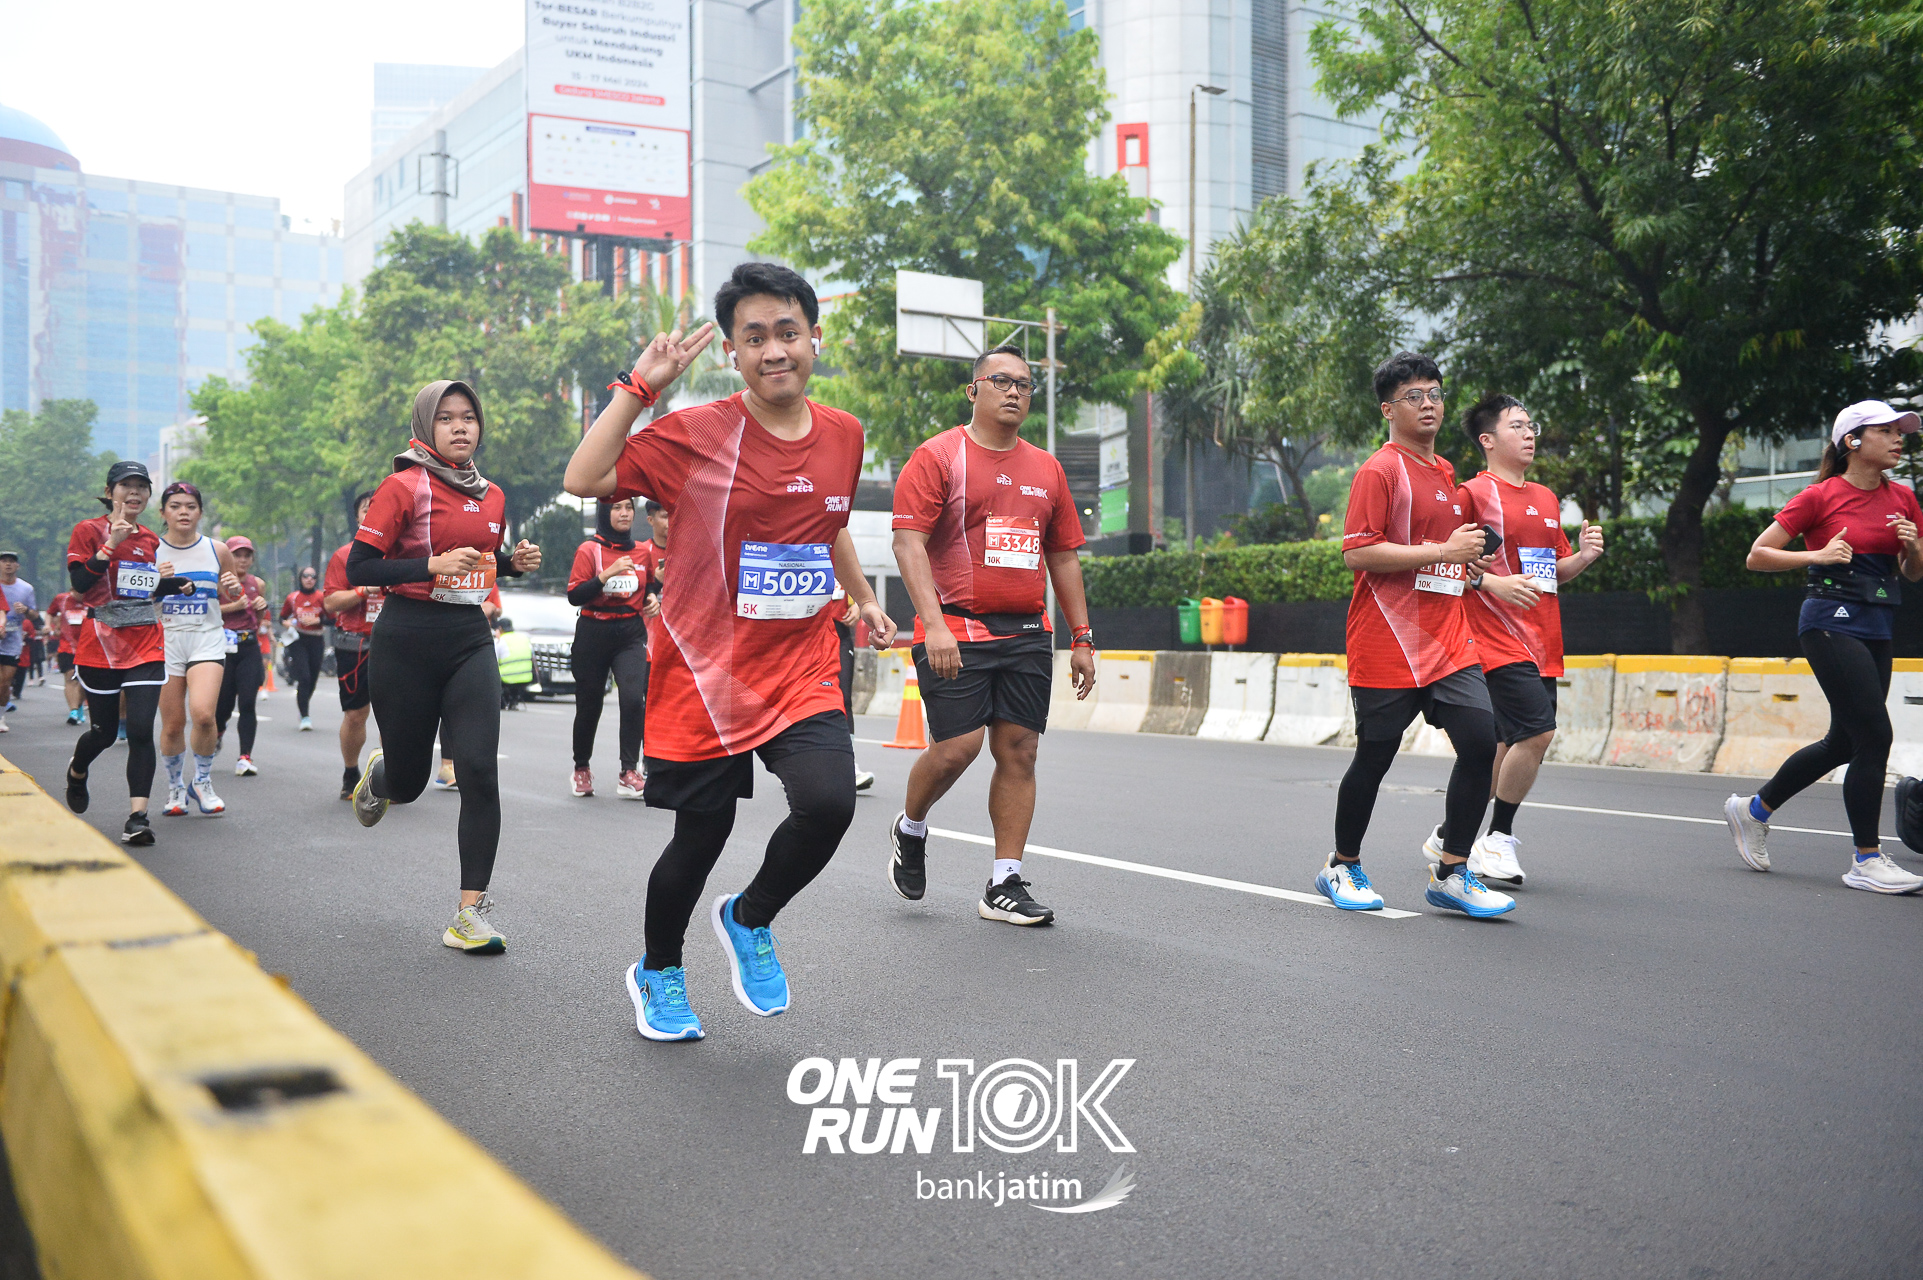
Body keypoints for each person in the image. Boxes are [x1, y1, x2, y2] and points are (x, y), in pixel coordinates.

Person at [563, 260, 895, 1042]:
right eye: (754, 338)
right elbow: (584, 475)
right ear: (733, 353)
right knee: (700, 837)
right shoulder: (697, 434)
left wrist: (864, 597)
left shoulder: (844, 434)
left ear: (814, 338)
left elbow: (828, 525)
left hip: (801, 663)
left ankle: (750, 917)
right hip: (705, 670)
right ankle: (658, 970)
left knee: (828, 803)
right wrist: (638, 388)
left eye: (787, 332)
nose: (774, 350)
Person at [886, 344, 1097, 925]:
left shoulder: (1046, 469)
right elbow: (908, 544)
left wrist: (1082, 638)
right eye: (1001, 381)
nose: (1014, 392)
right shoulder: (938, 457)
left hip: (1027, 630)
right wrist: (933, 625)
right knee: (958, 747)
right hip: (955, 627)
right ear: (973, 389)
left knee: (1020, 751)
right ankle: (910, 827)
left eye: (1024, 384)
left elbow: (1063, 555)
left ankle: (1004, 882)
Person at [1314, 351, 1515, 918]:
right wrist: (1443, 549)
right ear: (1388, 410)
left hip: (1448, 637)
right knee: (1375, 755)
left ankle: (1452, 872)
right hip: (1387, 637)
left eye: (1435, 394)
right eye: (1413, 396)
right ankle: (1342, 865)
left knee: (1481, 743)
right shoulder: (1379, 472)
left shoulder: (1446, 472)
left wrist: (1474, 567)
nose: (1428, 404)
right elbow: (1359, 553)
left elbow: (1444, 557)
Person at [346, 380, 542, 954]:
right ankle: (383, 775)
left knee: (478, 771)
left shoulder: (493, 495)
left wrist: (513, 564)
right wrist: (429, 564)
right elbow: (360, 567)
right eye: (447, 418)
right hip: (406, 640)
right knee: (408, 785)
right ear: (426, 426)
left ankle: (469, 914)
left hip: (468, 639)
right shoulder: (403, 486)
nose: (460, 427)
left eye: (469, 418)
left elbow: (480, 561)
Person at [1726, 399, 1923, 894]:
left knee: (1845, 741)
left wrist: (1914, 547)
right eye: (1887, 431)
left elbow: (1913, 573)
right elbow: (1757, 555)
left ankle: (1753, 810)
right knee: (1875, 735)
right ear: (1852, 441)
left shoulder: (1903, 498)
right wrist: (1818, 554)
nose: (1899, 439)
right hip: (1829, 622)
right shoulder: (1820, 495)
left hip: (1878, 623)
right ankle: (1866, 859)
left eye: (1901, 431)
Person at [1451, 395, 1606, 884]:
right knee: (1537, 732)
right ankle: (1496, 838)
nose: (1529, 433)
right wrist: (1491, 583)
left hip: (1541, 638)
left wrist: (1583, 558)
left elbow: (1550, 572)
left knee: (1504, 743)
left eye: (1530, 425)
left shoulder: (1545, 497)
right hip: (1491, 636)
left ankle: (1451, 833)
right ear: (1488, 440)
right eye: (1516, 426)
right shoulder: (1471, 495)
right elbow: (1444, 564)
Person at [64, 460, 187, 845]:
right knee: (102, 733)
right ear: (110, 492)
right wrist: (111, 543)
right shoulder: (87, 530)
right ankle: (77, 771)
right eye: (126, 486)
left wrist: (174, 584)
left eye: (141, 487)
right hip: (99, 644)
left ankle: (137, 818)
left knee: (139, 729)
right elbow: (81, 583)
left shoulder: (149, 538)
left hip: (145, 642)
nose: (134, 493)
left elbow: (139, 588)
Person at [153, 482, 242, 818]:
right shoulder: (151, 550)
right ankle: (176, 787)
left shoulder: (217, 549)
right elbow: (134, 598)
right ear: (163, 513)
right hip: (166, 639)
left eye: (190, 506)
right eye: (175, 506)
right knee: (173, 723)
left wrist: (234, 588)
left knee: (204, 715)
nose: (183, 512)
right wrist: (156, 581)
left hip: (206, 637)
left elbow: (233, 593)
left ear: (200, 512)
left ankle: (202, 781)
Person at [566, 497, 653, 799]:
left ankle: (629, 771)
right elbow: (575, 596)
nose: (624, 513)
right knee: (589, 704)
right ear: (605, 512)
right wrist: (606, 574)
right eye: (617, 508)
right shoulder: (589, 550)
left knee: (633, 699)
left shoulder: (642, 551)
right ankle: (581, 767)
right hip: (593, 631)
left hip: (630, 633)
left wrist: (652, 599)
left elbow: (649, 588)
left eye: (628, 507)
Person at [325, 492, 380, 799]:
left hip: (397, 643)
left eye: (380, 508)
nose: (373, 513)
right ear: (357, 517)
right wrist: (363, 590)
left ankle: (391, 775)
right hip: (356, 645)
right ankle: (350, 772)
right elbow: (331, 602)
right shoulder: (345, 555)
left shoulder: (406, 553)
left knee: (397, 715)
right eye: (366, 509)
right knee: (356, 714)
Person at [214, 535, 271, 776]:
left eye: (247, 555)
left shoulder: (257, 583)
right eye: (237, 555)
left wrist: (260, 608)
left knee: (247, 703)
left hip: (248, 646)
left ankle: (245, 757)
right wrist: (233, 607)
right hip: (221, 647)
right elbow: (207, 612)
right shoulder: (216, 581)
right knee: (223, 705)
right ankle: (217, 732)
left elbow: (257, 621)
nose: (242, 560)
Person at [831, 586, 876, 792]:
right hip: (803, 633)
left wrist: (859, 604)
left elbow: (857, 582)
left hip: (839, 633)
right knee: (800, 697)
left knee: (844, 699)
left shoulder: (841, 562)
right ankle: (797, 762)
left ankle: (849, 765)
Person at [280, 565, 327, 730]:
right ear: (300, 578)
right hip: (298, 639)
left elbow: (333, 619)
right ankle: (305, 716)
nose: (309, 579)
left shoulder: (321, 597)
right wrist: (287, 623)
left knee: (312, 679)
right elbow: (282, 617)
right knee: (304, 677)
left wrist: (318, 620)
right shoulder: (292, 597)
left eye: (313, 576)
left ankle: (303, 704)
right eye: (306, 576)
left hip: (316, 639)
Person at [0, 550, 34, 732]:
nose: (8, 564)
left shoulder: (26, 588)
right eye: (4, 561)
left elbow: (34, 615)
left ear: (17, 566)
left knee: (5, 683)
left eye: (11, 561)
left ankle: (1, 716)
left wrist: (26, 610)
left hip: (12, 641)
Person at [47, 586, 86, 725]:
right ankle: (73, 711)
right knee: (70, 677)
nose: (82, 595)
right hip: (66, 647)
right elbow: (50, 613)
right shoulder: (61, 599)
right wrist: (48, 626)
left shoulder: (93, 599)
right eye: (79, 592)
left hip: (87, 648)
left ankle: (79, 705)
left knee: (84, 681)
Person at [494, 615, 537, 709]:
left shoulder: (500, 641)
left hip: (507, 678)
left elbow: (494, 661)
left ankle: (503, 702)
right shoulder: (524, 638)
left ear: (500, 629)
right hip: (526, 677)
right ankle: (514, 700)